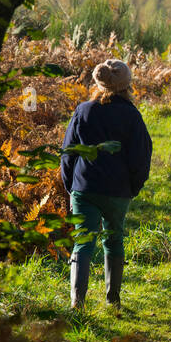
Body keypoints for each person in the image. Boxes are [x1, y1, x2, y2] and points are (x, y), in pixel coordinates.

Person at [60, 58, 152, 313]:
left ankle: (77, 303)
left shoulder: (84, 111)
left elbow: (68, 153)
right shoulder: (132, 116)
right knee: (114, 240)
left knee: (83, 243)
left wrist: (71, 186)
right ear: (127, 86)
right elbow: (142, 157)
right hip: (118, 191)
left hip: (84, 188)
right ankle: (113, 300)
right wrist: (133, 187)